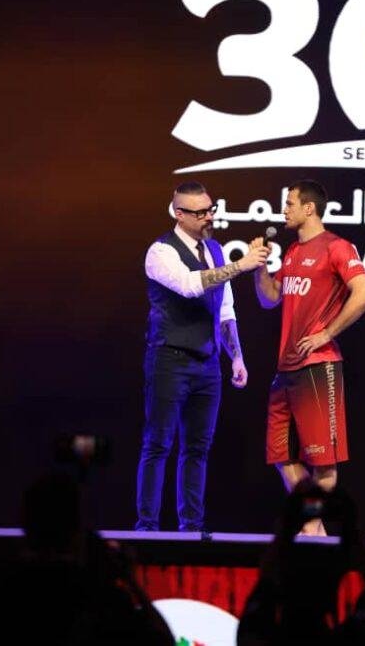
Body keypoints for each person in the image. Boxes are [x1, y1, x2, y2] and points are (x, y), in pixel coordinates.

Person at [136, 181, 270, 531]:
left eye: (211, 209)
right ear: (180, 214)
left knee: (198, 448)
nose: (209, 217)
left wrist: (236, 356)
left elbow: (225, 308)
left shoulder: (214, 249)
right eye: (200, 213)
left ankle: (191, 527)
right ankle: (147, 527)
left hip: (208, 364)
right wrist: (241, 266)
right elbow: (189, 285)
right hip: (170, 359)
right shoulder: (160, 252)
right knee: (158, 444)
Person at [252, 180, 365, 535]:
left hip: (318, 366)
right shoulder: (292, 251)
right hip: (285, 368)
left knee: (324, 464)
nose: (284, 210)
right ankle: (314, 527)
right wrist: (260, 267)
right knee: (281, 457)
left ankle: (312, 530)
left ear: (309, 208)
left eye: (289, 203)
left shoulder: (336, 247)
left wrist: (327, 333)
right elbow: (269, 299)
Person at [0, 471, 173, 645]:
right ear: (79, 533)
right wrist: (129, 580)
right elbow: (162, 640)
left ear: (23, 524)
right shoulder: (103, 603)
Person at [237, 480, 365, 646]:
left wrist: (286, 528)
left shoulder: (259, 637)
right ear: (330, 598)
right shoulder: (349, 640)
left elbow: (266, 578)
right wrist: (350, 527)